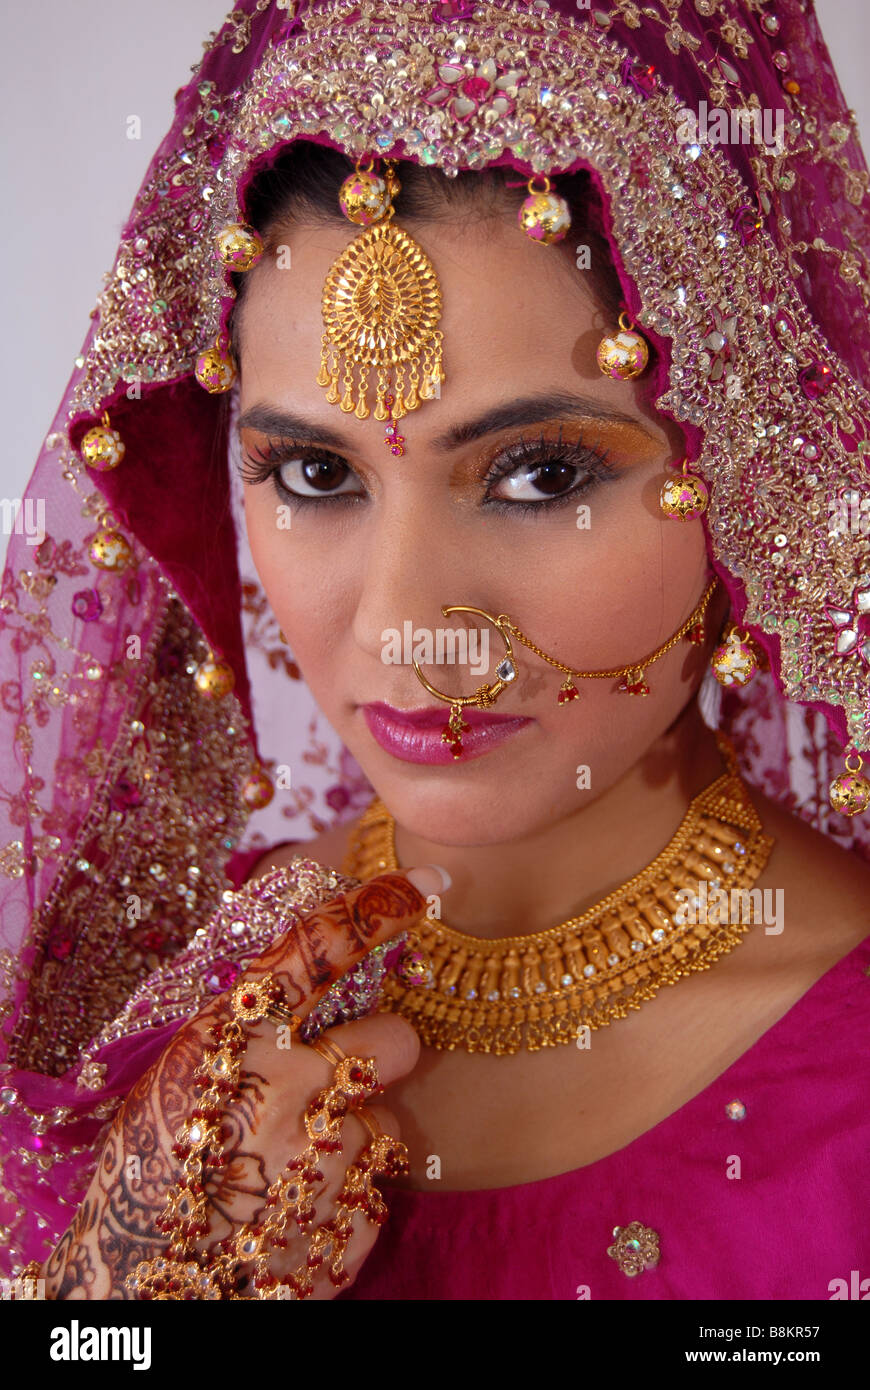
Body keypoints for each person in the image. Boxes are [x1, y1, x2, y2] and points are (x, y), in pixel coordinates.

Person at [0, 0, 868, 1301]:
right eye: (310, 469)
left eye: (539, 473)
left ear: (756, 469)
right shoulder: (162, 1031)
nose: (406, 616)